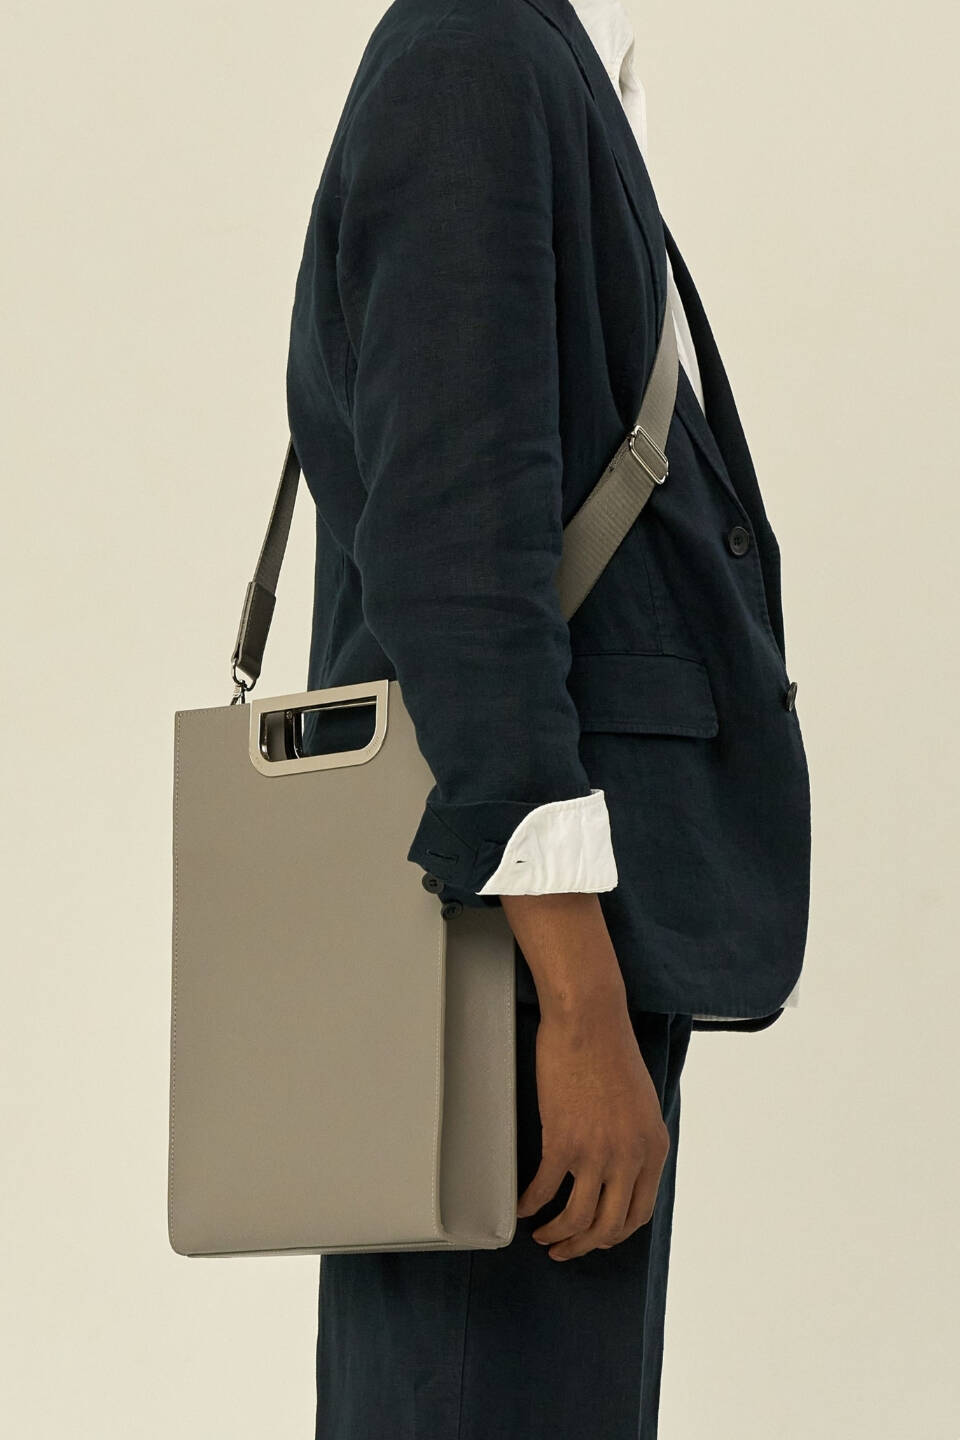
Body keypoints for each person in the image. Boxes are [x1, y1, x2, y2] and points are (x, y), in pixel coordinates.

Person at [285, 0, 811, 1434]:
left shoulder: (524, 56)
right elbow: (458, 561)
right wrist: (578, 1003)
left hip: (533, 945)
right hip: (514, 968)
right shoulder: (476, 59)